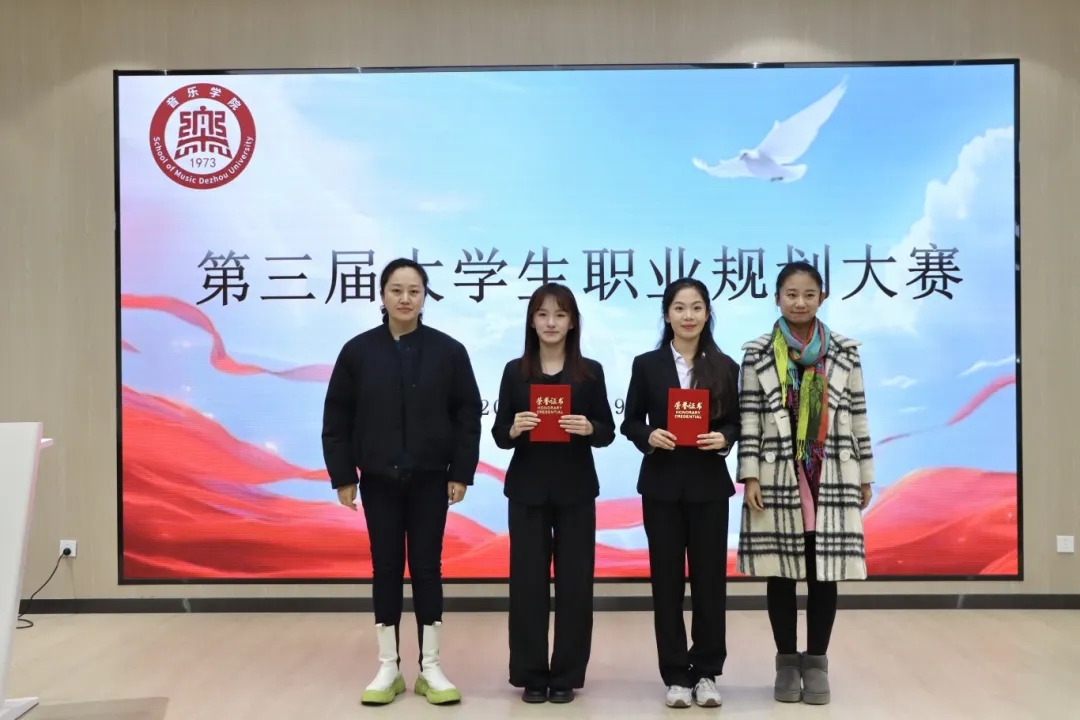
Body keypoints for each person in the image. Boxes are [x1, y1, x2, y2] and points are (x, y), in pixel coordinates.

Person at [321, 257, 483, 707]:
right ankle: (388, 667)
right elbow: (337, 417)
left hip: (431, 479)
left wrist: (461, 472)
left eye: (414, 291)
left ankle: (430, 667)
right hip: (378, 480)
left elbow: (468, 415)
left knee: (428, 568)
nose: (405, 298)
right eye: (397, 290)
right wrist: (343, 475)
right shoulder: (358, 352)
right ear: (382, 295)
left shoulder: (449, 351)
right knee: (386, 568)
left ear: (425, 297)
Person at [735, 260, 875, 706]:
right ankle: (785, 664)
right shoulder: (758, 352)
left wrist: (865, 475)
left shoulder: (844, 351)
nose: (800, 302)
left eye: (809, 295)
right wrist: (749, 474)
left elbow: (858, 415)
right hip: (779, 473)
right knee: (780, 574)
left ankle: (816, 663)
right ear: (777, 298)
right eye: (791, 294)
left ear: (822, 298)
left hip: (830, 472)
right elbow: (749, 417)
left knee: (823, 574)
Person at [491, 283, 616, 705]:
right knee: (527, 584)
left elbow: (607, 431)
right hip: (527, 491)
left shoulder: (590, 372)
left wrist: (589, 427)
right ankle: (530, 673)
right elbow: (499, 434)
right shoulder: (515, 371)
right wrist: (513, 428)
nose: (551, 323)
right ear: (531, 321)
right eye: (543, 314)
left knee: (575, 585)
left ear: (573, 322)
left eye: (560, 315)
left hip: (575, 491)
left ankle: (566, 674)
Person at [620, 277, 741, 709]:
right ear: (667, 314)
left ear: (707, 314)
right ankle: (674, 674)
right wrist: (648, 435)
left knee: (710, 583)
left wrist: (724, 438)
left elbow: (737, 422)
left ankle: (706, 672)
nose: (688, 316)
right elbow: (630, 421)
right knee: (667, 584)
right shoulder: (647, 365)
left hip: (709, 487)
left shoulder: (725, 366)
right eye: (679, 308)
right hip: (662, 487)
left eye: (696, 307)